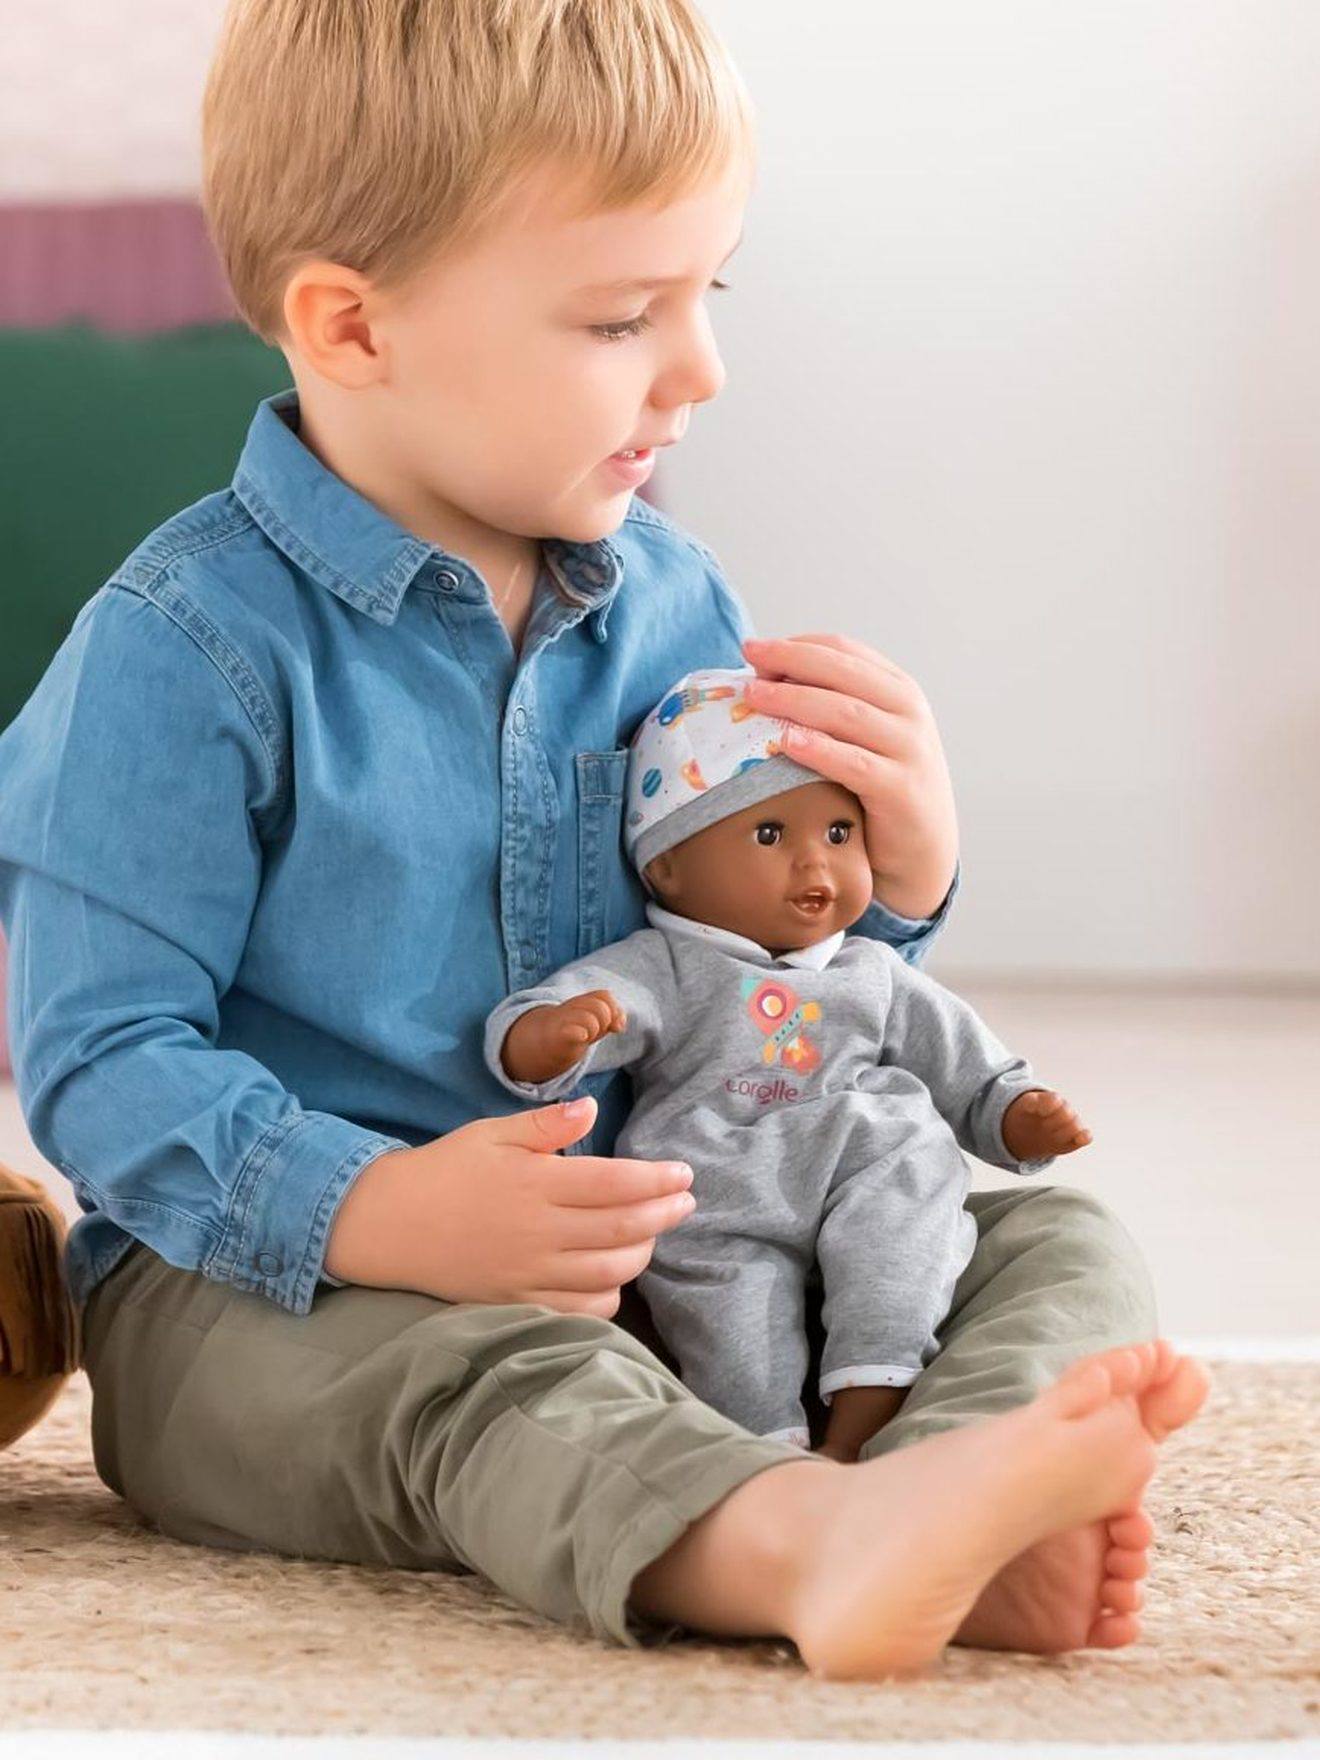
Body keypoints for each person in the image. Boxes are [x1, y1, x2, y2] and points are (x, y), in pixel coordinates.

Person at [0, 0, 1207, 1678]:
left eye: (710, 292)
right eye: (627, 315)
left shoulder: (676, 603)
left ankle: (944, 1493)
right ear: (353, 329)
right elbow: (101, 1061)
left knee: (1041, 1234)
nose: (701, 368)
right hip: (266, 1302)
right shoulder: (180, 650)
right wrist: (382, 1211)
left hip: (676, 1236)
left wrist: (900, 882)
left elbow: (751, 967)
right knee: (500, 1387)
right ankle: (804, 1542)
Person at [488, 665, 1096, 1461]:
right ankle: (770, 1455)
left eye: (838, 835)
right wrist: (553, 1035)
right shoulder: (665, 967)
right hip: (719, 1182)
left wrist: (1013, 1111)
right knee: (730, 1319)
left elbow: (960, 1059)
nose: (816, 867)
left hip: (861, 1155)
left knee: (910, 1209)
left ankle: (873, 1407)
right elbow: (559, 1017)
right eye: (771, 835)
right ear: (665, 866)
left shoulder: (870, 971)